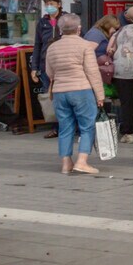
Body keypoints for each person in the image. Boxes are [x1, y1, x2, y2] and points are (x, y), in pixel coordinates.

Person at [44, 12, 105, 175]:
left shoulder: (52, 47)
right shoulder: (85, 46)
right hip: (81, 90)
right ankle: (82, 162)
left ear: (60, 29)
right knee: (87, 127)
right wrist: (100, 95)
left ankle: (66, 163)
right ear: (79, 29)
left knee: (65, 128)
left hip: (59, 92)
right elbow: (92, 72)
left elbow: (49, 72)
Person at [109, 8, 133, 138]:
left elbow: (110, 49)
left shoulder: (119, 31)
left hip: (121, 72)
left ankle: (128, 132)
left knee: (127, 103)